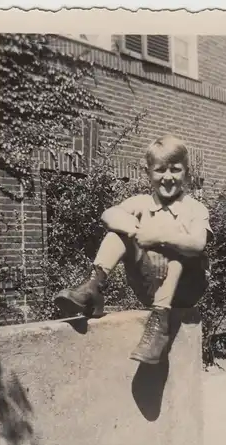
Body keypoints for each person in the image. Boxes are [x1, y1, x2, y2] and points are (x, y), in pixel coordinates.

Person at [54, 135, 213, 365]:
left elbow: (198, 243)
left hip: (185, 288)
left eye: (175, 170)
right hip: (150, 284)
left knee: (180, 245)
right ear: (148, 173)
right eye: (160, 170)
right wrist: (140, 235)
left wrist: (158, 239)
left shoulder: (195, 208)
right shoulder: (141, 203)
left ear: (186, 173)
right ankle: (93, 288)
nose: (167, 177)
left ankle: (160, 323)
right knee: (117, 232)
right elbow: (108, 215)